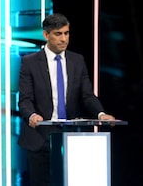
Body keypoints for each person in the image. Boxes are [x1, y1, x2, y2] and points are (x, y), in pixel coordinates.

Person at [17, 13, 115, 186]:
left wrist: (101, 114)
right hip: (40, 137)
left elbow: (87, 95)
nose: (64, 39)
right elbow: (25, 99)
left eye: (66, 33)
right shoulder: (30, 62)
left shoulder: (77, 60)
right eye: (58, 34)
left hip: (71, 138)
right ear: (46, 35)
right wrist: (32, 115)